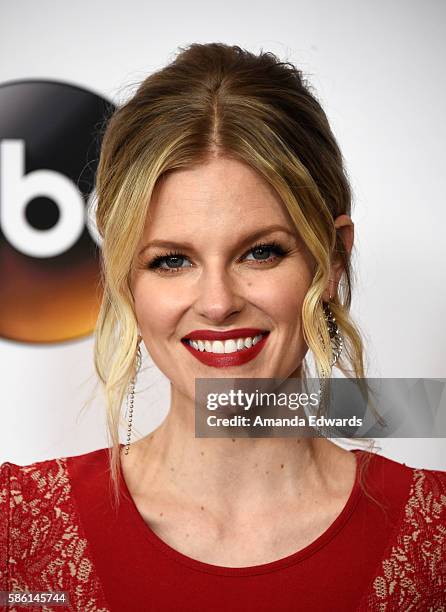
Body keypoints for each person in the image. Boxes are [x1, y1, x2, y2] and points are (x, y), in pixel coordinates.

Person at [1, 43, 445, 612]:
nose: (217, 303)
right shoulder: (17, 529)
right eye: (171, 260)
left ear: (332, 260)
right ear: (124, 279)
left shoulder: (434, 541)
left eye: (260, 252)